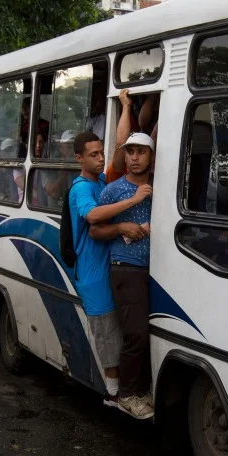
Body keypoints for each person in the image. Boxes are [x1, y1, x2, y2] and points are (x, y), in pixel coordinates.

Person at [66, 132, 148, 414]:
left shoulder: (101, 180)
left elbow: (120, 148)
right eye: (93, 155)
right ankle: (114, 396)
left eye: (101, 153)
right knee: (108, 336)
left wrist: (126, 106)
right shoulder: (80, 189)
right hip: (92, 274)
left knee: (122, 330)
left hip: (109, 266)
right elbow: (93, 217)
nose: (100, 159)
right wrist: (133, 202)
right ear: (79, 158)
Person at [94, 132, 155, 418]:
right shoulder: (114, 190)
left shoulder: (161, 186)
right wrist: (123, 227)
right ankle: (127, 394)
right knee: (136, 334)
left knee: (147, 334)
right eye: (130, 152)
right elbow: (95, 228)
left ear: (151, 156)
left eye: (141, 152)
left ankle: (142, 391)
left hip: (154, 270)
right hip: (125, 268)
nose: (134, 158)